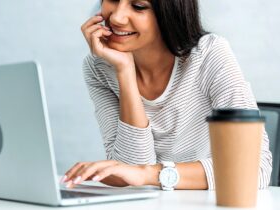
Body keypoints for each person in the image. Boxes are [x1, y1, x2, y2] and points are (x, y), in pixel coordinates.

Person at [61, 0, 272, 190]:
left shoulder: (208, 54)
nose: (116, 17)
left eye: (139, 6)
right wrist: (125, 72)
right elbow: (132, 173)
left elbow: (253, 169)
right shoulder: (100, 66)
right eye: (113, 0)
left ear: (169, 13)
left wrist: (151, 174)